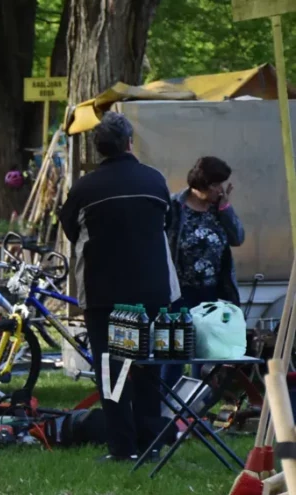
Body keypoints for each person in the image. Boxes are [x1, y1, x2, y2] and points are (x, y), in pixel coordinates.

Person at [59, 111, 175, 462]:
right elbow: (167, 222)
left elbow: (71, 231)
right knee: (148, 367)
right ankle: (151, 444)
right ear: (129, 143)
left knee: (112, 371)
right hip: (153, 291)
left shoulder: (84, 188)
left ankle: (121, 447)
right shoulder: (155, 181)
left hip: (104, 293)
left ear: (98, 149)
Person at [169, 156, 244, 310]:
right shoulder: (175, 207)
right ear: (201, 184)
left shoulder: (218, 209)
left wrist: (225, 210)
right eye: (215, 185)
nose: (220, 190)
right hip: (182, 293)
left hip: (215, 291)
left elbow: (238, 238)